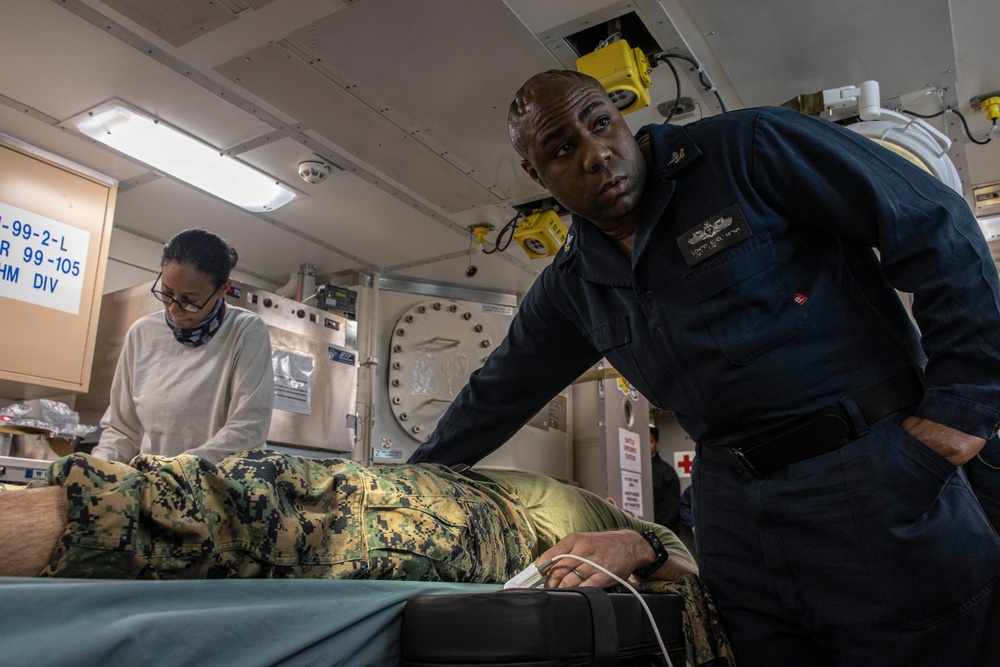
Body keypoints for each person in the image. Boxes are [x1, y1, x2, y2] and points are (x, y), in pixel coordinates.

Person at [407, 70, 1000, 665]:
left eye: (600, 123)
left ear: (621, 118)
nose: (596, 155)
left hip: (870, 471)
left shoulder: (749, 149)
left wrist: (962, 407)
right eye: (562, 148)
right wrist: (396, 489)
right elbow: (496, 395)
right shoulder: (572, 285)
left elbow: (933, 224)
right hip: (732, 514)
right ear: (537, 176)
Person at [0, 450, 697, 588]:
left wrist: (639, 544)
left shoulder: (649, 531)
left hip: (489, 523)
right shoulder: (578, 497)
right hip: (450, 491)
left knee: (265, 506)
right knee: (267, 493)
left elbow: (693, 581)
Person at [89, 228, 274, 464]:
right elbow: (122, 430)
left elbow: (248, 430)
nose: (174, 309)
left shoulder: (245, 331)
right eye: (167, 293)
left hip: (216, 488)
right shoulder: (142, 333)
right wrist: (98, 469)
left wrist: (175, 471)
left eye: (190, 300)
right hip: (153, 486)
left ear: (222, 289)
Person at [649, 426, 681, 532]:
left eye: (650, 441)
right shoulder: (631, 470)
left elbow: (670, 510)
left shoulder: (667, 473)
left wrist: (653, 530)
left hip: (662, 535)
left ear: (656, 444)